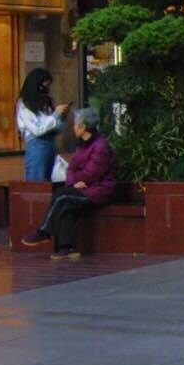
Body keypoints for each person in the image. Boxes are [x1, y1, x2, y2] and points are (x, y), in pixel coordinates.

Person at [19, 108, 117, 258]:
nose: (73, 128)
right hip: (83, 188)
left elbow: (92, 173)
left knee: (62, 197)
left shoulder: (100, 146)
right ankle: (67, 247)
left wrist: (77, 180)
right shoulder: (81, 145)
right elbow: (71, 168)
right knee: (65, 204)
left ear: (83, 127)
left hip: (98, 190)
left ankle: (44, 231)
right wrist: (73, 183)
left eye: (75, 125)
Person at [16, 68, 66, 182]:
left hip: (50, 143)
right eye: (45, 85)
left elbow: (54, 127)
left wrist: (61, 118)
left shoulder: (47, 101)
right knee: (37, 183)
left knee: (47, 181)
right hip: (36, 146)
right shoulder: (24, 104)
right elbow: (37, 129)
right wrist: (55, 115)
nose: (47, 88)